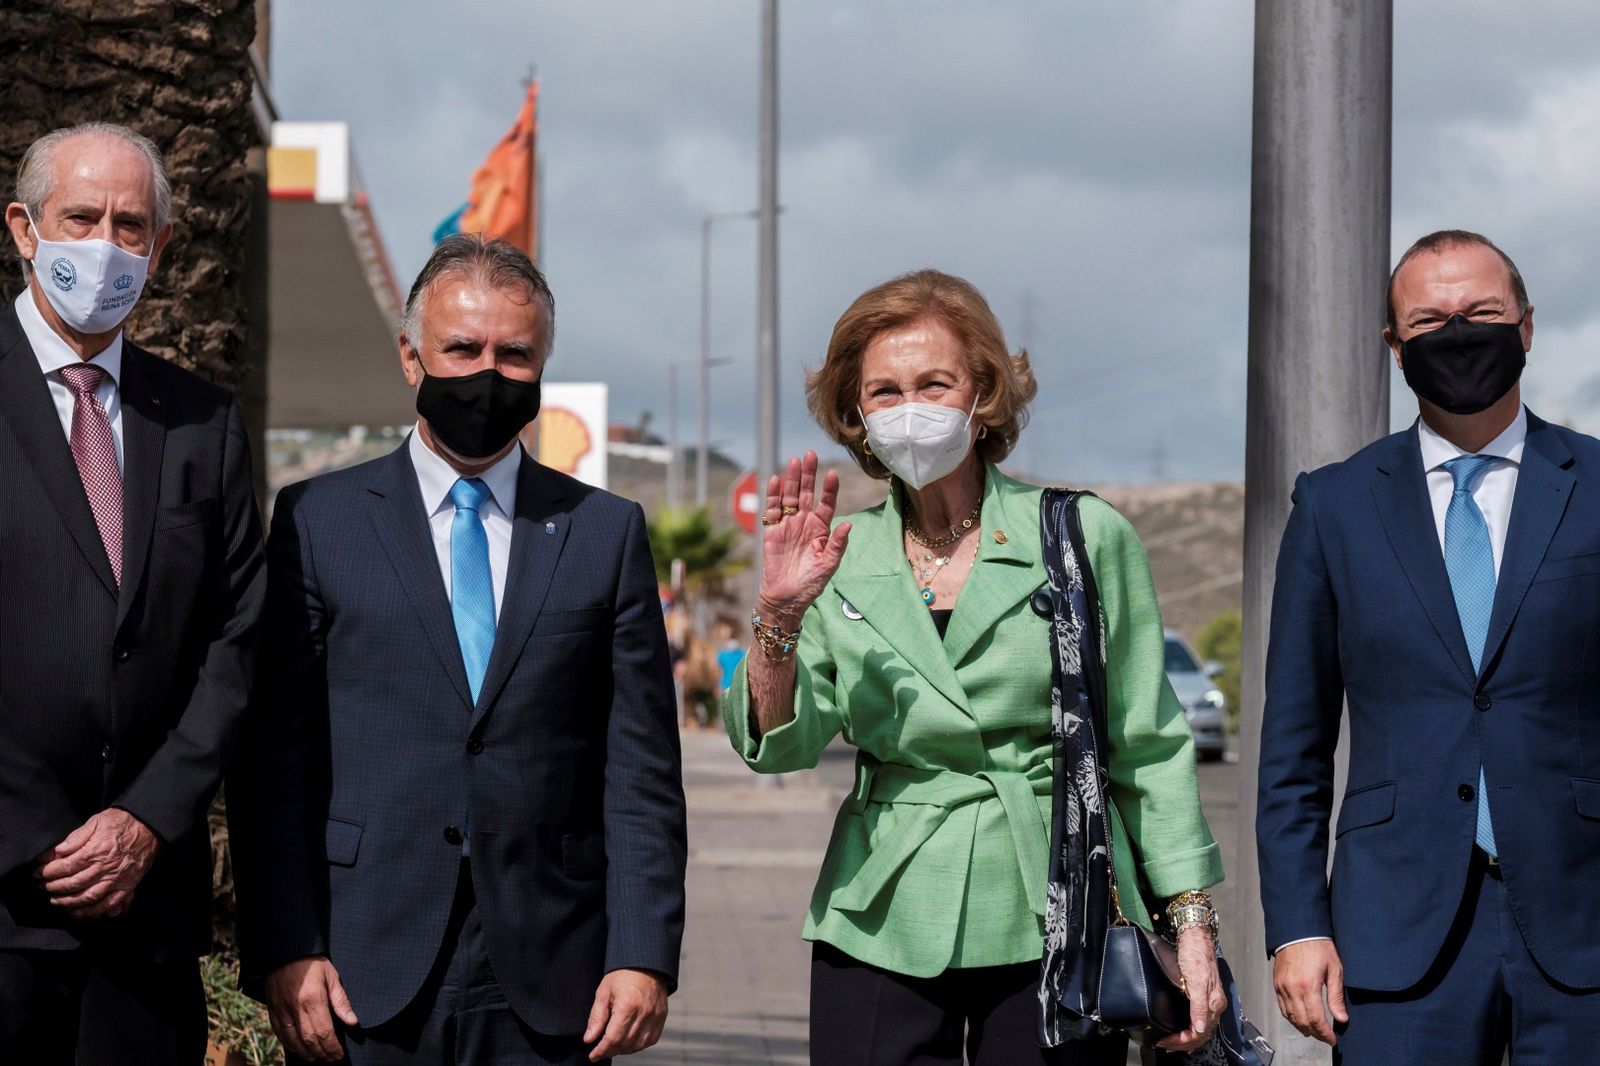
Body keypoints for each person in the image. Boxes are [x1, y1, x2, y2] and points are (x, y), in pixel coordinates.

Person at [722, 269, 1226, 1064]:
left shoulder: (1083, 537)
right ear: (855, 414)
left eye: (935, 383)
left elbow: (1149, 744)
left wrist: (1190, 925)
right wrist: (779, 615)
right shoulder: (835, 559)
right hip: (880, 905)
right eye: (884, 391)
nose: (910, 408)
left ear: (983, 395)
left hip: (1057, 903)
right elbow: (780, 747)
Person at [230, 235, 687, 1065]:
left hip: (555, 975)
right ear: (412, 358)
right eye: (462, 348)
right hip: (359, 965)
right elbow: (275, 760)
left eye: (515, 354)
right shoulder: (317, 520)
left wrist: (643, 952)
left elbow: (642, 768)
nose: (488, 372)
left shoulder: (604, 533)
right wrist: (284, 943)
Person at [1258, 230, 1600, 1062]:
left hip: (1583, 922)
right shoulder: (1335, 506)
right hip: (1394, 940)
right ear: (1394, 347)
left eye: (1481, 311)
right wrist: (1297, 929)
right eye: (1430, 319)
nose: (1459, 333)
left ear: (1525, 326)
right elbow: (1293, 748)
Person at [0, 123, 266, 1063]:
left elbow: (238, 638)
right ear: (25, 229)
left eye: (131, 225)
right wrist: (34, 832)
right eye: (82, 217)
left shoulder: (202, 422)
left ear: (158, 249)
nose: (105, 246)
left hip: (146, 919)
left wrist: (145, 817)